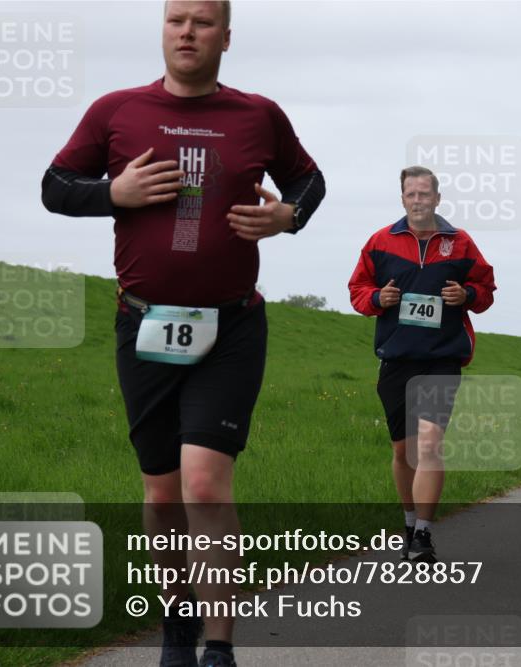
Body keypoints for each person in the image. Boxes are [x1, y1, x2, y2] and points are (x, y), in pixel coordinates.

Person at [41, 3, 325, 665]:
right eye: (176, 20)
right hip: (143, 324)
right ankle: (178, 618)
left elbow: (309, 180)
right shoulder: (117, 110)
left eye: (201, 21)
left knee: (204, 483)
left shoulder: (258, 114)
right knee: (163, 490)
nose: (187, 32)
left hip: (231, 326)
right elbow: (54, 186)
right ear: (163, 31)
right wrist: (112, 194)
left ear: (226, 36)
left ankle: (219, 646)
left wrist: (288, 217)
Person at [348, 166, 495, 564]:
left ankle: (424, 536)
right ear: (402, 199)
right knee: (403, 451)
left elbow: (486, 290)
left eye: (424, 194)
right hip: (396, 358)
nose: (418, 200)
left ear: (437, 198)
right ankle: (410, 523)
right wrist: (378, 299)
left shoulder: (460, 242)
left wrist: (466, 294)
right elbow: (357, 290)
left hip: (441, 357)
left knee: (429, 443)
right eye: (411, 194)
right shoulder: (380, 242)